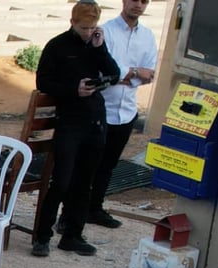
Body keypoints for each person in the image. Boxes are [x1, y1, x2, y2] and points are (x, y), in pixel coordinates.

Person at [33, 0, 120, 258]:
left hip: (95, 121)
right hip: (70, 121)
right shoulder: (58, 46)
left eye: (91, 27)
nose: (87, 32)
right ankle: (42, 236)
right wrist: (74, 89)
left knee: (85, 182)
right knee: (61, 181)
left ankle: (72, 234)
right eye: (83, 27)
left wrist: (99, 48)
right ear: (72, 23)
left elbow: (114, 74)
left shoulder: (96, 44)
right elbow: (44, 82)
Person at [84, 0, 157, 229]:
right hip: (101, 108)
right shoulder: (106, 31)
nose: (139, 5)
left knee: (108, 165)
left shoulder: (147, 36)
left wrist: (124, 74)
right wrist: (133, 72)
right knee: (87, 164)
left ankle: (95, 209)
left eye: (144, 1)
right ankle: (74, 212)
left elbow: (150, 74)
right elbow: (106, 70)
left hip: (126, 112)